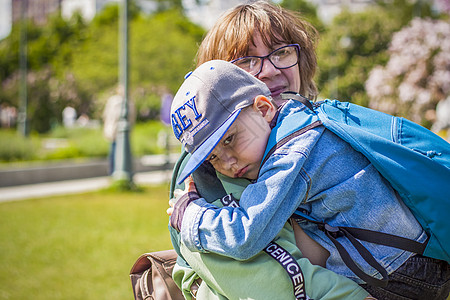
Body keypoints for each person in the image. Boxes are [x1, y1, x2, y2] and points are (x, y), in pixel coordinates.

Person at [169, 59, 450, 300]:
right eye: (213, 158)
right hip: (414, 261)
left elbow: (245, 236)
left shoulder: (291, 152)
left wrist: (190, 216)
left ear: (264, 108)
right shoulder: (301, 121)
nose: (228, 162)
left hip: (399, 275)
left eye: (229, 139)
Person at [102, 85, 136, 175]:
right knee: (114, 152)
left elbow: (132, 118)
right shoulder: (114, 101)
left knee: (124, 152)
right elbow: (108, 116)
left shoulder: (129, 102)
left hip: (124, 131)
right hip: (114, 130)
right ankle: (113, 171)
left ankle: (125, 172)